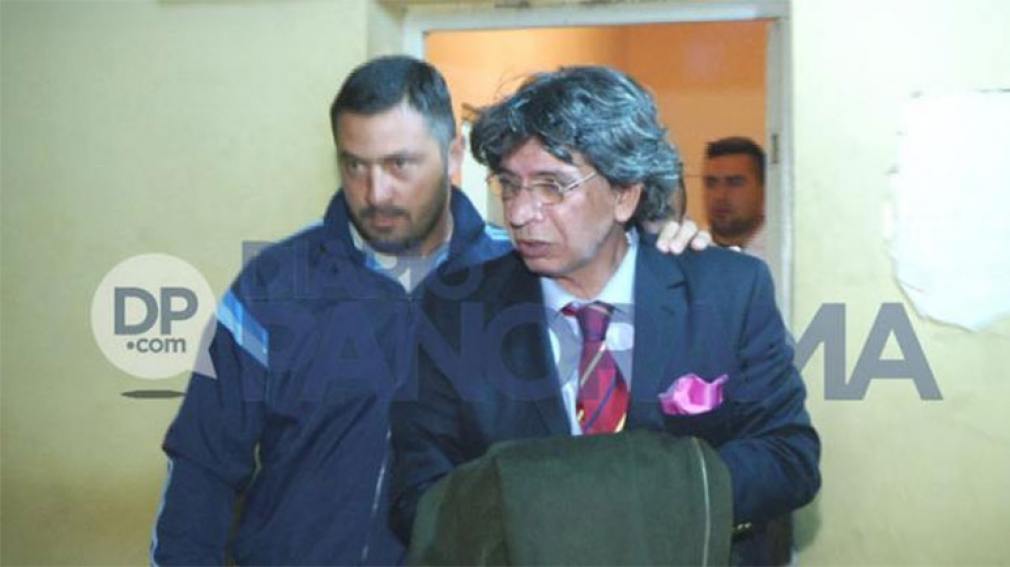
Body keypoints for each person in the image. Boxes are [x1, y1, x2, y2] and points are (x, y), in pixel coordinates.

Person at [151, 56, 707, 565]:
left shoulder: (522, 279)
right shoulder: (273, 286)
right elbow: (202, 464)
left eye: (400, 164)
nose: (375, 192)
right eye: (355, 165)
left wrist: (666, 250)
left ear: (454, 156)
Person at [389, 67, 820, 564]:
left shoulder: (726, 291)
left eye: (552, 186)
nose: (520, 213)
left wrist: (641, 502)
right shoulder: (456, 312)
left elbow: (789, 457)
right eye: (509, 185)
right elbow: (418, 493)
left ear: (624, 195)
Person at [702, 136, 767, 255]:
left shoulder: (786, 254)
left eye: (734, 183)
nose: (720, 196)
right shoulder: (688, 254)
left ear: (764, 189)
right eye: (711, 183)